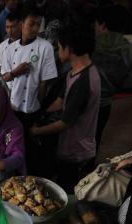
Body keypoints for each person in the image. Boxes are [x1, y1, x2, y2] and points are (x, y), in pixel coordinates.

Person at [31, 25, 101, 193]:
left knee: (69, 195)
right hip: (68, 146)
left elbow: (65, 123)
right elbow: (61, 102)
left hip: (76, 152)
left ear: (69, 48)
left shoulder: (84, 80)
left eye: (59, 47)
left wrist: (36, 131)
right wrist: (36, 112)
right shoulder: (75, 71)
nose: (58, 50)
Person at [92, 6, 132, 148]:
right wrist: (114, 86)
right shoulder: (131, 50)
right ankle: (90, 169)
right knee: (95, 139)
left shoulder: (90, 45)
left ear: (102, 24)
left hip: (81, 101)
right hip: (104, 103)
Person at [0, 7, 57, 128]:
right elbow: (3, 79)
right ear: (21, 24)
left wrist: (39, 107)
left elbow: (44, 83)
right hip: (12, 106)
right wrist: (15, 73)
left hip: (32, 108)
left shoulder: (45, 47)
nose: (35, 28)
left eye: (38, 24)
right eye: (31, 24)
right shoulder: (9, 48)